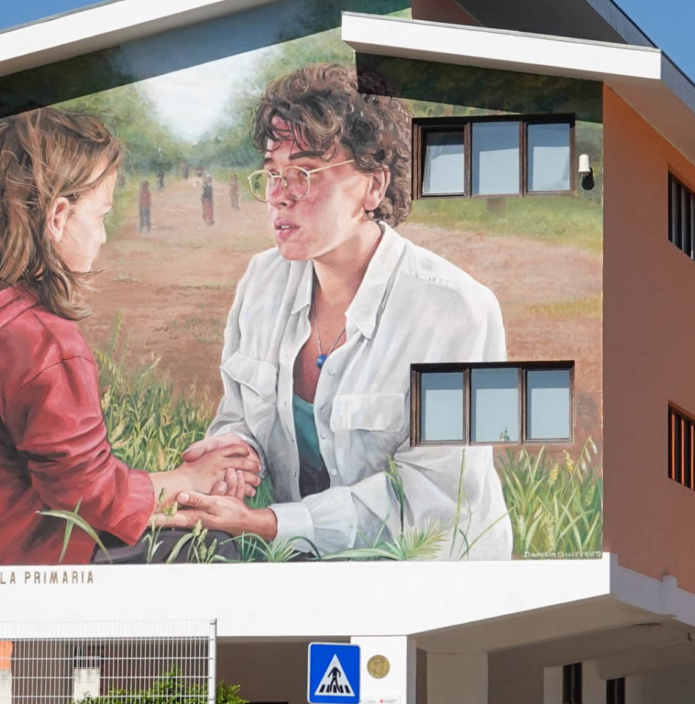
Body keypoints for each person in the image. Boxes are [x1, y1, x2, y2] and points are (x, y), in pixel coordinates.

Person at [169, 63, 512, 560]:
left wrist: (268, 524)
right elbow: (241, 417)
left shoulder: (457, 313)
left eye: (305, 173)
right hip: (304, 570)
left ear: (374, 187)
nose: (279, 194)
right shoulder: (261, 282)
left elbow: (433, 502)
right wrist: (232, 456)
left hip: (434, 583)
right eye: (271, 172)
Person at [0, 107, 256, 565]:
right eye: (100, 216)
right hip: (28, 565)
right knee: (213, 547)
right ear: (57, 218)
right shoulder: (43, 344)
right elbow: (89, 497)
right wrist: (191, 479)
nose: (103, 238)